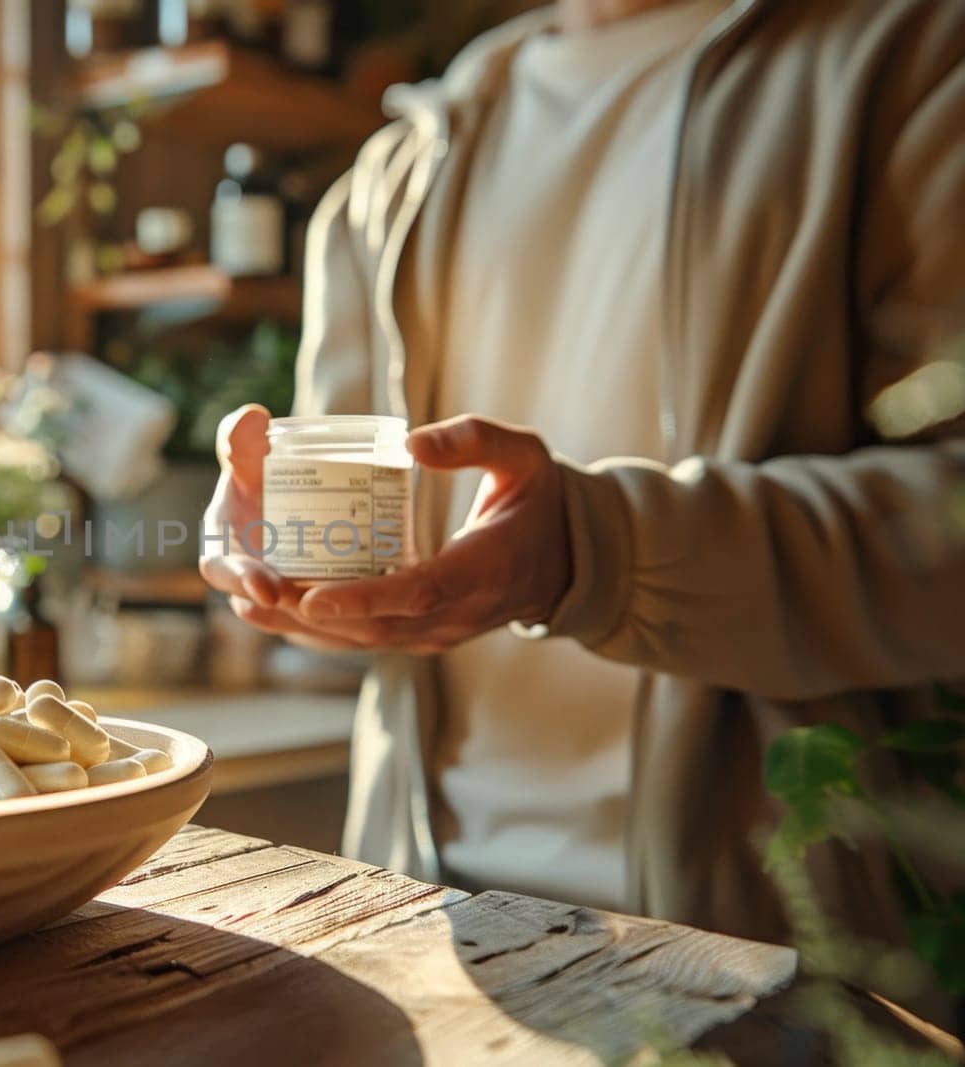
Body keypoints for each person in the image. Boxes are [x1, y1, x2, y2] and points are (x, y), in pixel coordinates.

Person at [199, 0, 965, 979]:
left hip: (779, 949)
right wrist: (281, 563)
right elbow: (356, 530)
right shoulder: (394, 171)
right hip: (426, 911)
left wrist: (596, 553)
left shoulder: (913, 57)